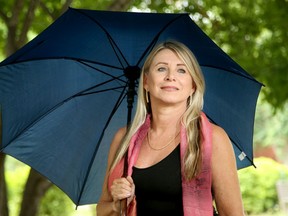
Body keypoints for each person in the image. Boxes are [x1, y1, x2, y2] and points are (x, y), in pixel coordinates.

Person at [96, 41, 245, 216]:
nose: (170, 77)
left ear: (193, 86)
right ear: (146, 82)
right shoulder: (124, 138)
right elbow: (101, 209)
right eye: (161, 69)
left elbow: (232, 213)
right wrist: (117, 205)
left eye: (181, 70)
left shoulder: (213, 137)